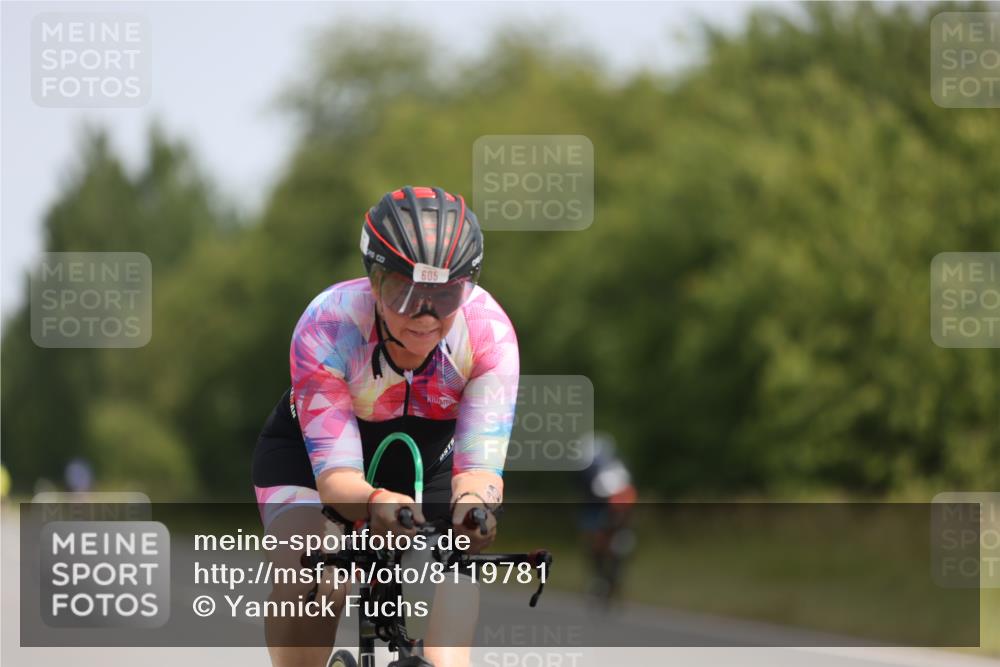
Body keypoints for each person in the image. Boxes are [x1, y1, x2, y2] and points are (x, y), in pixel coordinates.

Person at [252, 186, 519, 667]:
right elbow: (336, 480)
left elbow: (479, 469)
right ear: (373, 281)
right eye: (405, 291)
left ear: (468, 288)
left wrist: (475, 509)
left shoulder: (487, 333)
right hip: (311, 456)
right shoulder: (328, 325)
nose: (425, 315)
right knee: (314, 571)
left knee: (456, 565)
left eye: (445, 294)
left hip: (430, 454)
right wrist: (374, 501)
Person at [577, 432, 637, 608]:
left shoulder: (618, 470)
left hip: (615, 514)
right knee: (596, 548)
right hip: (598, 512)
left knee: (617, 548)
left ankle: (611, 583)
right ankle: (601, 581)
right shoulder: (589, 476)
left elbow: (626, 500)